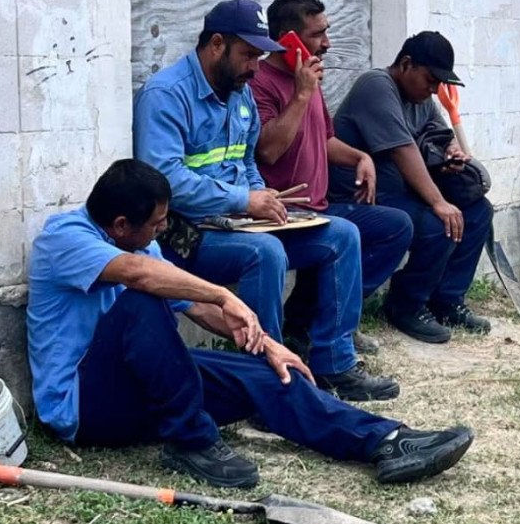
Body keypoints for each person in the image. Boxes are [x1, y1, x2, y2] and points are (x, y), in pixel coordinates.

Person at [26, 159, 474, 489]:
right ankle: (191, 441)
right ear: (121, 225)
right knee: (143, 303)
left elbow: (196, 308)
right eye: (158, 224)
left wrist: (265, 344)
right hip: (84, 408)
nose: (163, 232)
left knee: (268, 372)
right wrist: (223, 292)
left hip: (138, 392)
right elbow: (141, 278)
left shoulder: (139, 244)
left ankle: (386, 441)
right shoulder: (63, 239)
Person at [133, 0, 397, 401]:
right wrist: (244, 200)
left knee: (342, 235)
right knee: (266, 253)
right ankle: (268, 382)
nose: (255, 68)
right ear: (216, 44)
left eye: (260, 57)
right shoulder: (166, 94)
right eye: (249, 55)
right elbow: (164, 179)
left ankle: (334, 363)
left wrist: (264, 196)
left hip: (240, 223)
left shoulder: (238, 93)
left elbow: (247, 160)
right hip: (185, 234)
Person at [248, 0, 413, 352]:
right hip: (282, 215)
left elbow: (324, 140)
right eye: (317, 35)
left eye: (327, 31)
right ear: (286, 40)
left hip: (318, 209)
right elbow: (269, 150)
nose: (327, 43)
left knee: (396, 225)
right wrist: (302, 94)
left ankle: (322, 316)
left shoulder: (307, 77)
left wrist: (359, 157)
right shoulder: (260, 82)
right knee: (344, 234)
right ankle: (325, 333)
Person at [328, 32, 492, 344]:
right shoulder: (376, 86)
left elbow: (442, 136)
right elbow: (403, 150)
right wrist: (438, 201)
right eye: (430, 79)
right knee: (438, 221)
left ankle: (446, 299)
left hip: (400, 193)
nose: (433, 89)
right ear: (406, 64)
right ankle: (407, 304)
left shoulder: (423, 99)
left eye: (438, 84)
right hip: (360, 196)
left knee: (478, 211)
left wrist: (452, 153)